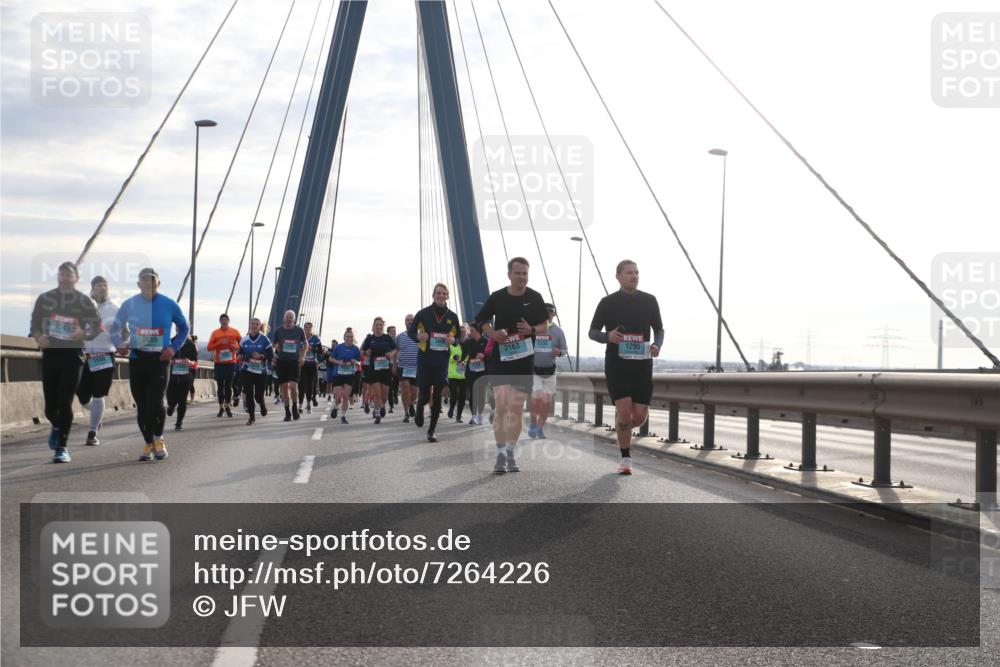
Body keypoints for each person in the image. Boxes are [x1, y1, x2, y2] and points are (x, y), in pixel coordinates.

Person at [589, 259, 664, 475]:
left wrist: (657, 344)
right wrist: (607, 336)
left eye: (637, 272)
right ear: (618, 276)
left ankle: (622, 430)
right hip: (617, 366)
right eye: (630, 272)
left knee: (639, 416)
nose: (634, 276)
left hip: (642, 366)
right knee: (624, 412)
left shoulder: (650, 300)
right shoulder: (607, 302)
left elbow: (659, 329)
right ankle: (625, 458)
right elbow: (592, 331)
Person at [474, 257, 549, 473]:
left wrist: (532, 330)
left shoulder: (535, 298)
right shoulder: (498, 297)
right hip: (501, 360)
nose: (522, 277)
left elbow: (545, 324)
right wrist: (492, 333)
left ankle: (510, 452)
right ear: (509, 275)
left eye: (525, 273)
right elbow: (480, 321)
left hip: (524, 361)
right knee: (502, 405)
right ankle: (499, 455)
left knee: (515, 409)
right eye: (518, 273)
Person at [111, 267, 190, 461]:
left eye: (153, 281)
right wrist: (118, 344)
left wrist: (172, 348)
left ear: (158, 284)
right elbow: (114, 327)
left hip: (159, 361)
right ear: (139, 284)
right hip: (137, 359)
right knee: (142, 405)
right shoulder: (129, 304)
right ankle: (148, 442)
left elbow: (184, 328)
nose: (149, 284)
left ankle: (158, 438)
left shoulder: (169, 304)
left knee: (155, 403)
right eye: (145, 281)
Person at [30, 261, 103, 463]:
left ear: (76, 278)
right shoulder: (45, 299)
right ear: (58, 277)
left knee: (64, 402)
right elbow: (34, 323)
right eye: (61, 274)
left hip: (73, 357)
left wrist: (84, 332)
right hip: (51, 355)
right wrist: (38, 337)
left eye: (68, 275)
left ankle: (62, 447)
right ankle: (57, 426)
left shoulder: (84, 301)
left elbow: (97, 327)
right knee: (49, 408)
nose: (64, 278)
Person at [409, 283, 460, 442]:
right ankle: (419, 407)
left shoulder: (453, 316)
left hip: (441, 361)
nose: (441, 295)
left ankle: (432, 430)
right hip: (425, 359)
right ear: (433, 295)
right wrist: (418, 337)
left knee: (437, 395)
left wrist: (454, 340)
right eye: (438, 293)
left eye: (444, 293)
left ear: (447, 296)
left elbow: (459, 339)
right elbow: (411, 332)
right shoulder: (423, 313)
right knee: (424, 395)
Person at [76, 275, 119, 446]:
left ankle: (92, 432)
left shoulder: (115, 310)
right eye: (99, 285)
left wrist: (122, 341)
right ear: (92, 288)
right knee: (82, 395)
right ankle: (97, 414)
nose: (103, 288)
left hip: (105, 355)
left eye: (105, 285)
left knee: (98, 393)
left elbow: (122, 332)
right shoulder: (83, 307)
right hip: (85, 356)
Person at [529, 303, 568, 439]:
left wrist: (559, 352)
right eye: (545, 311)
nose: (548, 313)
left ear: (554, 314)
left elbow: (564, 350)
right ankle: (532, 424)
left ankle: (540, 428)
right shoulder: (533, 329)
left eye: (551, 311)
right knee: (536, 399)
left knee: (546, 403)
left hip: (550, 372)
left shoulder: (558, 331)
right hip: (535, 371)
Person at [269, 310, 306, 421]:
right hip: (282, 362)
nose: (289, 319)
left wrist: (303, 356)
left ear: (294, 319)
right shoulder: (278, 331)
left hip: (294, 362)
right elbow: (273, 344)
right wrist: (275, 349)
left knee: (293, 387)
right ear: (284, 318)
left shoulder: (299, 330)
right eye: (287, 316)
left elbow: (305, 343)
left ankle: (294, 407)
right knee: (284, 389)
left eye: (291, 317)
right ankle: (287, 412)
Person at [361, 317, 397, 425]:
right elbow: (362, 351)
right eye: (377, 324)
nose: (379, 326)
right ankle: (377, 414)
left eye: (381, 325)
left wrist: (391, 354)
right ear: (373, 327)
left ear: (383, 326)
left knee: (384, 396)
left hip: (385, 369)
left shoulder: (387, 338)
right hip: (373, 369)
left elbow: (395, 349)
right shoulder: (370, 339)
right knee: (377, 393)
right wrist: (366, 353)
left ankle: (382, 405)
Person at [207, 313, 241, 418]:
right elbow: (209, 347)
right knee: (220, 386)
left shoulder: (235, 332)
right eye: (222, 319)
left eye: (226, 319)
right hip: (219, 363)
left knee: (228, 386)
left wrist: (233, 346)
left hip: (231, 363)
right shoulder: (215, 333)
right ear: (220, 321)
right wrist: (218, 343)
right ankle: (221, 407)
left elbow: (241, 345)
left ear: (228, 320)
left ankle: (227, 407)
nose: (224, 321)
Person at [240, 317, 273, 425]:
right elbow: (240, 352)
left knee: (258, 396)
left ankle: (262, 404)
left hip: (261, 372)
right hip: (247, 370)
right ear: (250, 325)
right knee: (249, 394)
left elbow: (271, 355)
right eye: (252, 324)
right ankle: (251, 417)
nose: (254, 326)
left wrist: (261, 356)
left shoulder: (265, 340)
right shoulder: (244, 340)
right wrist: (240, 356)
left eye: (256, 324)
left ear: (260, 326)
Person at [166, 334, 198, 430]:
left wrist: (190, 363)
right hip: (172, 377)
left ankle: (178, 423)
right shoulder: (170, 342)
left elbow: (195, 363)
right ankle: (171, 406)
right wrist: (169, 360)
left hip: (186, 378)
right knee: (171, 399)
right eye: (178, 327)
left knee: (182, 401)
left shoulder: (191, 345)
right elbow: (163, 356)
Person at [329, 330, 361, 424]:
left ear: (353, 338)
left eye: (351, 337)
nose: (349, 338)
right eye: (347, 337)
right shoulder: (339, 347)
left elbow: (359, 363)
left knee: (346, 397)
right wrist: (339, 362)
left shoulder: (356, 349)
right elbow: (330, 358)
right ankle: (335, 406)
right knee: (338, 397)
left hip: (349, 375)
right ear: (344, 338)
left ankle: (343, 416)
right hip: (338, 374)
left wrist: (355, 362)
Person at [394, 314, 420, 423]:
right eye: (407, 320)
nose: (409, 322)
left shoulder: (420, 336)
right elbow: (396, 351)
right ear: (405, 322)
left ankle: (411, 404)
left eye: (411, 320)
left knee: (414, 393)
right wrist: (394, 365)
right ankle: (406, 413)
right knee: (405, 390)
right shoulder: (400, 336)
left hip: (416, 368)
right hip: (403, 366)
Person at [463, 323, 489, 426]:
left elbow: (492, 356)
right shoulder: (468, 343)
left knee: (481, 394)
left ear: (479, 331)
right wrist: (461, 361)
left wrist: (484, 356)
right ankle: (473, 416)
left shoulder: (486, 342)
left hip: (483, 372)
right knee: (472, 394)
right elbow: (463, 356)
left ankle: (480, 415)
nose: (471, 332)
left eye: (472, 330)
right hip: (471, 371)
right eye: (471, 330)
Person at [299, 321, 322, 414]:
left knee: (310, 385)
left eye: (309, 327)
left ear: (311, 329)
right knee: (301, 385)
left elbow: (320, 352)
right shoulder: (300, 338)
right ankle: (300, 405)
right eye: (306, 327)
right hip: (302, 363)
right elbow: (295, 348)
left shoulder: (316, 339)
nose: (307, 329)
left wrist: (311, 349)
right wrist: (302, 349)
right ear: (303, 328)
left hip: (312, 364)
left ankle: (308, 405)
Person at [447, 326, 468, 422]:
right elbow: (447, 357)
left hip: (463, 372)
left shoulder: (468, 343)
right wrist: (454, 358)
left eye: (464, 331)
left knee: (462, 396)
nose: (462, 333)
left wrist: (464, 361)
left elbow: (469, 354)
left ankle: (458, 416)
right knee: (454, 395)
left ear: (466, 332)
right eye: (461, 331)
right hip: (452, 374)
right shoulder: (452, 343)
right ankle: (451, 409)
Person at [386, 325, 399, 413]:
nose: (394, 333)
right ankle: (391, 405)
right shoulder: (385, 341)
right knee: (390, 384)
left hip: (398, 363)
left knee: (397, 382)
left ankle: (396, 394)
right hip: (388, 364)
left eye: (395, 331)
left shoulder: (398, 341)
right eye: (392, 331)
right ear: (388, 332)